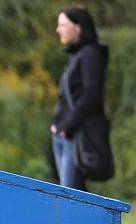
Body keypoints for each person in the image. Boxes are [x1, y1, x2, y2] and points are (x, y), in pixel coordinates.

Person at [50, 6, 109, 191]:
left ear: (78, 28)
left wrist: (68, 126)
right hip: (64, 135)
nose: (58, 29)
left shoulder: (91, 54)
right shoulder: (77, 55)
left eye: (62, 25)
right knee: (70, 195)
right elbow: (68, 98)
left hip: (75, 136)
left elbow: (92, 95)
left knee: (71, 198)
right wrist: (57, 125)